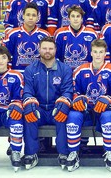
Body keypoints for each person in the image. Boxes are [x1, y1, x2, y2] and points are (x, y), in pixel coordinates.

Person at [65, 39, 111, 172]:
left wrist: (108, 99)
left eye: (101, 52)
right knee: (72, 116)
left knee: (109, 116)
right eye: (95, 52)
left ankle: (109, 152)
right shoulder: (80, 70)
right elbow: (74, 92)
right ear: (90, 53)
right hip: (87, 109)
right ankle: (73, 152)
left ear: (105, 53)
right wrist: (78, 99)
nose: (98, 55)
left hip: (104, 110)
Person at [22, 37, 73, 170]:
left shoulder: (65, 69)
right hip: (39, 109)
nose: (47, 51)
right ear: (39, 49)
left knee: (62, 114)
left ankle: (63, 153)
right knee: (29, 115)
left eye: (50, 48)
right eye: (44, 48)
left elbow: (67, 91)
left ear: (55, 50)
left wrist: (63, 103)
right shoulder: (30, 69)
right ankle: (31, 153)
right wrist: (29, 103)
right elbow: (27, 91)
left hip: (55, 108)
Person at [2, 3, 50, 73]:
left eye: (34, 15)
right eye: (28, 15)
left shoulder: (45, 35)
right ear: (23, 16)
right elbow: (7, 57)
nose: (30, 18)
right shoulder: (12, 34)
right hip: (17, 74)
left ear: (37, 18)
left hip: (38, 75)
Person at [54, 5, 98, 70]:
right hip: (65, 72)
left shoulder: (92, 34)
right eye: (73, 16)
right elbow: (56, 56)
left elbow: (95, 56)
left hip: (85, 72)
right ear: (68, 18)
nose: (75, 19)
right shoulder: (60, 33)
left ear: (82, 19)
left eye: (78, 16)